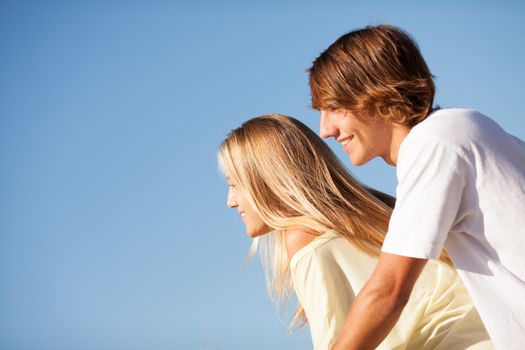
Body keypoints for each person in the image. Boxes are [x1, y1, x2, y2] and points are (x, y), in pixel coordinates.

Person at [308, 24, 525, 350]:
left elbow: (389, 290)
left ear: (377, 93)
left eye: (335, 108)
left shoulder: (434, 144)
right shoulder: (465, 127)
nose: (325, 129)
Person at [218, 114, 493, 350]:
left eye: (235, 184)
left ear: (264, 179)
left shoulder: (303, 236)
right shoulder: (378, 211)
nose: (230, 201)